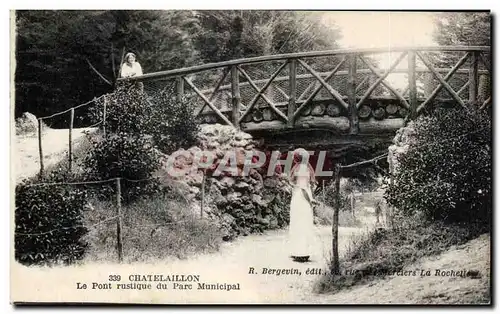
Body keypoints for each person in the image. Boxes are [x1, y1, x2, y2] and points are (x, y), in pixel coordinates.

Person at [288, 148, 317, 263]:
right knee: (302, 223)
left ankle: (301, 252)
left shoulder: (300, 169)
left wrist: (310, 201)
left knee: (299, 223)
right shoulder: (304, 168)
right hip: (302, 197)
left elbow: (302, 187)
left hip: (301, 198)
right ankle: (300, 251)